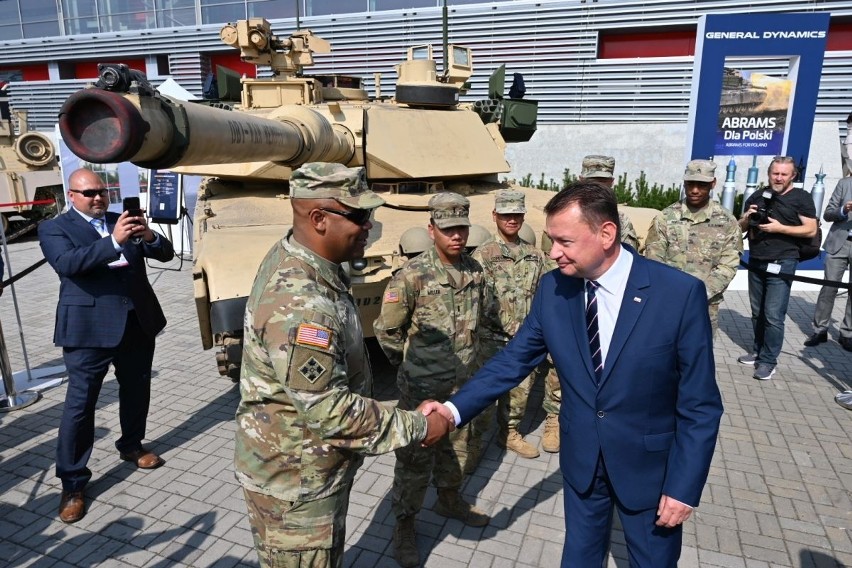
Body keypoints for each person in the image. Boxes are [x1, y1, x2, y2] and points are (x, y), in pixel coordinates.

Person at [424, 180, 723, 567]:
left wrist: (684, 488)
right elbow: (512, 360)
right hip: (582, 461)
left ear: (606, 234)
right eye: (551, 240)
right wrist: (452, 411)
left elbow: (700, 405)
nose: (553, 253)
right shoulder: (554, 289)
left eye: (564, 241)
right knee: (579, 557)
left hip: (649, 473)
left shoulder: (678, 295)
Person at [234, 163, 451, 568]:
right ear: (317, 219)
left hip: (306, 470)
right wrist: (421, 425)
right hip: (296, 488)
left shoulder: (306, 261)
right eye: (359, 215)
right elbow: (330, 413)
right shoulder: (301, 303)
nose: (370, 225)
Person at [38, 168, 175, 524]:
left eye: (101, 191)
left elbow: (166, 254)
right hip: (88, 330)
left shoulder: (123, 219)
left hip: (136, 323)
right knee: (80, 407)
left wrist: (148, 235)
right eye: (88, 193)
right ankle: (72, 482)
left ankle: (131, 445)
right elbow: (68, 264)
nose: (98, 198)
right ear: (71, 196)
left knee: (136, 390)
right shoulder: (55, 228)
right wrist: (113, 241)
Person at [374, 192, 491, 568]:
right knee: (413, 459)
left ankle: (448, 498)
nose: (456, 235)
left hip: (462, 386)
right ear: (432, 229)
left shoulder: (475, 270)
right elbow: (387, 331)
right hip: (422, 392)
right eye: (448, 229)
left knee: (457, 448)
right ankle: (405, 523)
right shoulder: (411, 276)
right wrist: (412, 366)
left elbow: (482, 318)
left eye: (461, 228)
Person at [468, 189, 547, 463]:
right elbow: (475, 300)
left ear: (523, 216)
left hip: (524, 341)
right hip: (491, 340)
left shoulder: (535, 256)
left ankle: (509, 433)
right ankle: (475, 443)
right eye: (506, 214)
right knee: (484, 399)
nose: (511, 219)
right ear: (495, 216)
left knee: (519, 394)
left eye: (516, 214)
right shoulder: (483, 256)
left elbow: (544, 293)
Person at [737, 156, 818, 380]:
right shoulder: (758, 195)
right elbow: (741, 226)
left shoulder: (801, 198)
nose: (779, 178)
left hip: (783, 261)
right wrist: (747, 216)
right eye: (775, 173)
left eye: (784, 174)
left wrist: (780, 228)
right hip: (757, 259)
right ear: (769, 174)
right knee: (757, 312)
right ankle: (758, 350)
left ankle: (768, 361)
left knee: (773, 314)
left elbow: (810, 230)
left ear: (793, 176)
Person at [644, 159, 742, 337]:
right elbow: (654, 260)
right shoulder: (666, 217)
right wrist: (670, 291)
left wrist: (700, 293)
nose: (695, 190)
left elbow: (728, 265)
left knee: (698, 359)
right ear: (684, 182)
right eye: (690, 184)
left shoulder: (727, 222)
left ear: (713, 184)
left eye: (702, 184)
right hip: (668, 302)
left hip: (705, 305)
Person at [804, 173, 852, 351]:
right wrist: (844, 210)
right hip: (840, 242)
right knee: (828, 288)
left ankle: (847, 333)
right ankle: (820, 330)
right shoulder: (845, 183)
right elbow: (828, 214)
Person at [579, 154, 640, 250]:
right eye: (592, 181)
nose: (597, 186)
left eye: (603, 182)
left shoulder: (620, 220)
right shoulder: (564, 216)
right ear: (581, 180)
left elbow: (630, 257)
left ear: (611, 182)